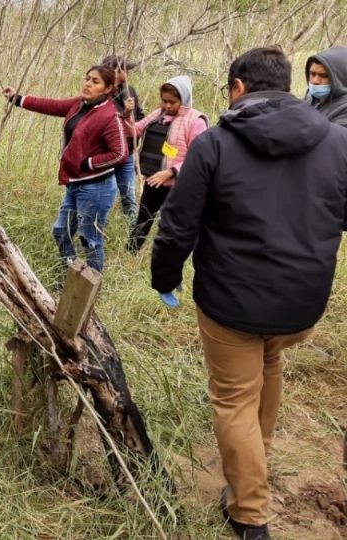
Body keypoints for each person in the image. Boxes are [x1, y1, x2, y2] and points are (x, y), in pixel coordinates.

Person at [151, 47, 347, 540]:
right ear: (287, 85)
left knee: (234, 397)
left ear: (238, 87)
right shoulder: (339, 142)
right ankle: (253, 463)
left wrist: (164, 277)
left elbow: (177, 225)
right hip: (302, 304)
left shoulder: (215, 144)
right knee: (269, 365)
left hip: (232, 303)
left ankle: (248, 512)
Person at [2, 65, 127, 273]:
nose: (87, 83)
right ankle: (71, 278)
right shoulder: (80, 104)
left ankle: (89, 292)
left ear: (107, 89)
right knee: (61, 232)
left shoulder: (109, 116)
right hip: (75, 184)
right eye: (87, 79)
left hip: (97, 188)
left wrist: (88, 163)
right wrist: (17, 99)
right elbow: (51, 105)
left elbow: (120, 153)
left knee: (91, 240)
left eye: (95, 81)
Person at [124, 75, 208, 252]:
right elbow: (134, 130)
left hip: (178, 185)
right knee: (143, 219)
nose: (167, 106)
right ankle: (130, 254)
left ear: (184, 99)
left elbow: (198, 157)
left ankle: (167, 257)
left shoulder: (196, 121)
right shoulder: (159, 114)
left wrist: (171, 172)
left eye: (173, 102)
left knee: (172, 226)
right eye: (164, 101)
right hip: (154, 179)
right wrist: (126, 114)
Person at [103, 55, 144, 224]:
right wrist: (125, 114)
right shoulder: (104, 94)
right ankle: (100, 228)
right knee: (107, 195)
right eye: (125, 69)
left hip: (127, 153)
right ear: (115, 71)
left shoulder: (130, 90)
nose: (128, 72)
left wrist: (138, 131)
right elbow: (106, 121)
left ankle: (132, 234)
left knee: (129, 196)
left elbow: (140, 115)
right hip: (109, 154)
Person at [304, 46, 347, 127]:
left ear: (340, 77)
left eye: (323, 76)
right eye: (312, 74)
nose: (315, 81)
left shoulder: (344, 109)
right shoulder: (310, 99)